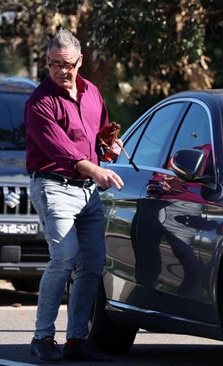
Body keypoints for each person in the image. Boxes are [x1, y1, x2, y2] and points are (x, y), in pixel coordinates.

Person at [24, 28, 124, 362]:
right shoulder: (40, 102)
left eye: (66, 64)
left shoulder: (92, 92)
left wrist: (110, 147)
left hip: (87, 192)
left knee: (93, 262)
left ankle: (77, 340)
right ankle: (42, 337)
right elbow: (62, 150)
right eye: (54, 64)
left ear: (80, 62)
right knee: (64, 256)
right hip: (53, 185)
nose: (60, 71)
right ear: (47, 62)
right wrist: (97, 170)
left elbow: (100, 134)